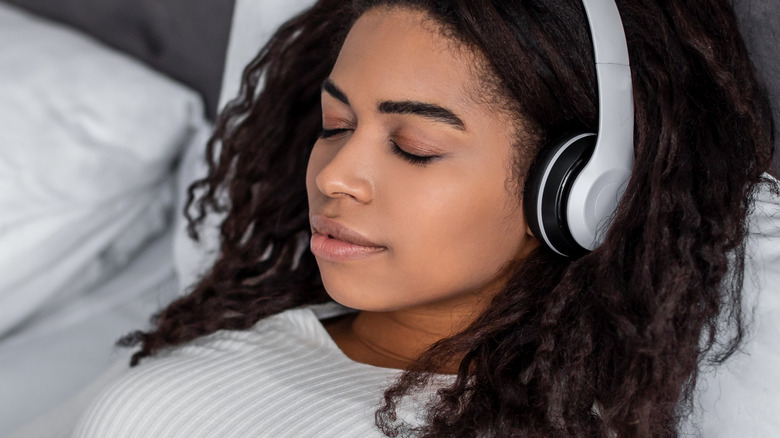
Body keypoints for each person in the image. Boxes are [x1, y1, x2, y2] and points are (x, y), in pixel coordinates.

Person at [73, 0, 776, 436]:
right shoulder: (239, 339)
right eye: (334, 123)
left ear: (576, 190)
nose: (335, 175)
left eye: (414, 148)